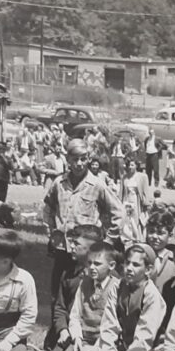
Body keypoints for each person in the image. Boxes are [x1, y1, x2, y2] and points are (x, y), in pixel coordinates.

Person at [43, 139, 124, 333]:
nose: (79, 164)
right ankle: (56, 335)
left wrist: (107, 242)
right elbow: (47, 208)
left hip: (87, 254)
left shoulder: (96, 184)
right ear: (67, 159)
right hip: (63, 250)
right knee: (58, 294)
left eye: (83, 159)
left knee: (84, 295)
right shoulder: (59, 183)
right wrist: (52, 232)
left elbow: (118, 212)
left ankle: (82, 333)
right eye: (75, 159)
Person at [93, 243, 167, 351]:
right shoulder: (118, 287)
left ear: (148, 270)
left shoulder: (152, 295)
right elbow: (109, 325)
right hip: (126, 348)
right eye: (127, 263)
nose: (129, 268)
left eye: (136, 265)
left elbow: (144, 338)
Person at [53, 241, 120, 351]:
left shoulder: (116, 287)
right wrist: (77, 339)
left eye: (97, 264)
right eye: (89, 263)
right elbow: (75, 315)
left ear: (111, 265)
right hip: (84, 338)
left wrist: (97, 346)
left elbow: (113, 324)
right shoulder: (84, 283)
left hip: (105, 340)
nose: (92, 267)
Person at [46, 224, 102, 351]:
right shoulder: (68, 274)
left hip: (94, 334)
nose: (71, 247)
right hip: (68, 332)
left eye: (76, 244)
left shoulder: (106, 278)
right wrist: (62, 330)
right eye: (71, 242)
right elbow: (59, 307)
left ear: (93, 248)